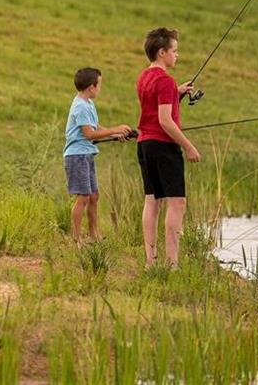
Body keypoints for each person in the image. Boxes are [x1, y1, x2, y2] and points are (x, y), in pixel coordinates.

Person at [136, 28, 201, 268]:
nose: (177, 55)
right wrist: (188, 146)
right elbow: (164, 120)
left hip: (145, 144)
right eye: (174, 51)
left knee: (152, 201)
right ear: (162, 52)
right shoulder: (165, 80)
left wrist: (176, 93)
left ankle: (150, 261)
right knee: (177, 203)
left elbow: (155, 107)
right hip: (163, 146)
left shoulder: (145, 76)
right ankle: (172, 264)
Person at [63, 67, 131, 243]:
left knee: (94, 195)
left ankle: (94, 235)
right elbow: (89, 134)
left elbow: (96, 128)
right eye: (99, 85)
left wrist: (115, 134)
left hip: (86, 154)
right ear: (91, 87)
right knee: (83, 197)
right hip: (77, 156)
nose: (100, 89)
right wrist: (115, 128)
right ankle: (76, 240)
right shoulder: (80, 107)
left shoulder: (88, 104)